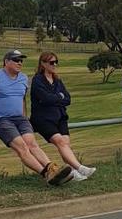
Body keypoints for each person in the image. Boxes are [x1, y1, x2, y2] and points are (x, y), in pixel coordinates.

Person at [0, 50, 73, 185]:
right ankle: (46, 174)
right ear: (6, 62)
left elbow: (22, 100)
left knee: (32, 144)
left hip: (20, 119)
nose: (20, 63)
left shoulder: (23, 78)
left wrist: (24, 117)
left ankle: (53, 169)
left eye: (21, 60)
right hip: (0, 119)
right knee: (22, 147)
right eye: (16, 60)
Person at [30, 52, 95, 183]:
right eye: (51, 62)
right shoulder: (37, 80)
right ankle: (80, 168)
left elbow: (68, 99)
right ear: (43, 64)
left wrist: (56, 98)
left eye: (56, 62)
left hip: (60, 116)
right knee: (60, 141)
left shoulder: (57, 80)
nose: (55, 65)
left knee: (65, 144)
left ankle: (73, 174)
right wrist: (59, 97)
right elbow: (45, 98)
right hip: (43, 119)